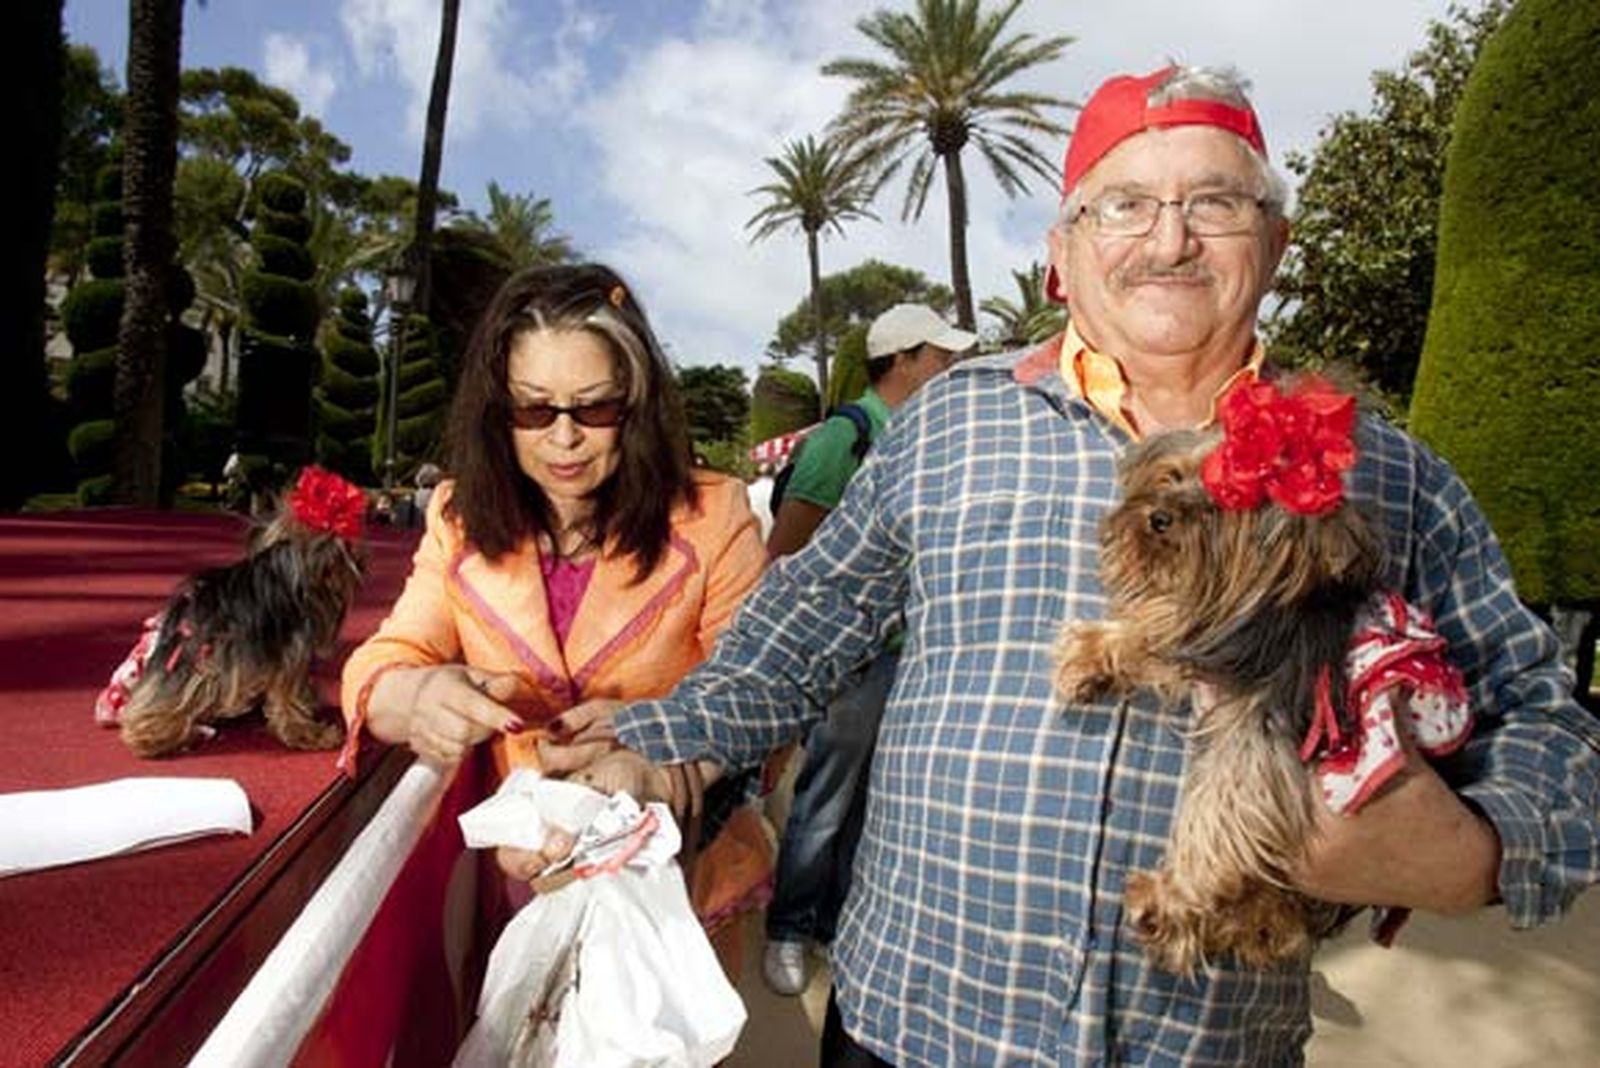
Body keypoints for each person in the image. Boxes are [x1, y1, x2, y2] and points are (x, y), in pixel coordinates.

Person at [535, 65, 1600, 1065]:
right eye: (1125, 203)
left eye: (1215, 204)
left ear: (1272, 243)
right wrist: (664, 744)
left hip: (1204, 1045)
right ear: (1065, 247)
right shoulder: (955, 418)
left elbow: (1549, 723)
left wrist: (1475, 849)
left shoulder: (1384, 472)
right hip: (915, 1019)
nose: (1169, 240)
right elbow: (807, 622)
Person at [337, 262, 771, 972]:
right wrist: (415, 697)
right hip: (525, 877)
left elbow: (755, 695)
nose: (563, 438)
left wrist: (655, 763)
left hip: (677, 885)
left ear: (636, 403)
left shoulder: (713, 515)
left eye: (594, 409)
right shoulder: (456, 516)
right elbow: (385, 658)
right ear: (496, 409)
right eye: (534, 410)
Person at [761, 303, 974, 997]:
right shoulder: (843, 439)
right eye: (941, 356)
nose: (951, 368)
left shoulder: (924, 435)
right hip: (854, 657)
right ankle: (790, 929)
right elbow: (785, 550)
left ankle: (832, 924)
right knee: (826, 796)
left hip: (910, 654)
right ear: (904, 359)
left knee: (874, 799)